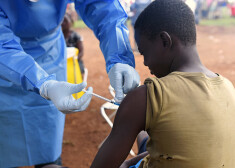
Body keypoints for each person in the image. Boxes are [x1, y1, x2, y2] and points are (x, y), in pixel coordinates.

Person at [90, 0, 235, 168]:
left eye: (144, 52)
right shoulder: (228, 87)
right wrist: (131, 161)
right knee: (143, 134)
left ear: (165, 41)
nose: (144, 62)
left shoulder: (147, 96)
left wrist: (126, 164)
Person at [0, 0, 140, 167]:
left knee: (46, 139)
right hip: (5, 67)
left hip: (49, 55)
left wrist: (119, 55)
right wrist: (44, 84)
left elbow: (103, 6)